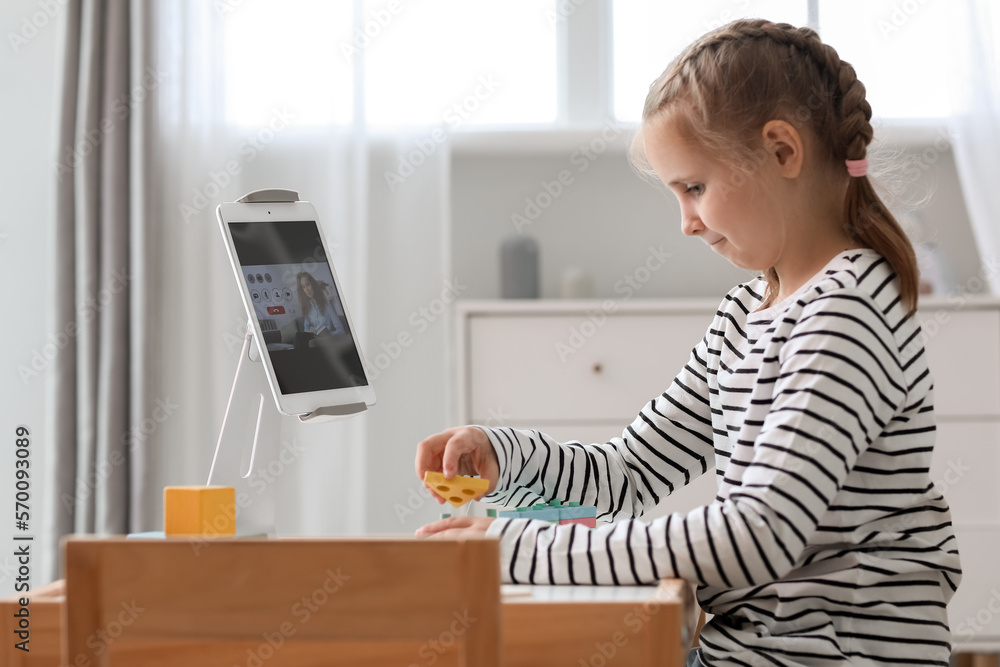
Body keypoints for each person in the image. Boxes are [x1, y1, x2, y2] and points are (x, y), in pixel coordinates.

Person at [414, 18, 961, 666]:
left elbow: (761, 532)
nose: (686, 223)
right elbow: (628, 471)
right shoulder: (745, 314)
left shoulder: (845, 313)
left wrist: (514, 547)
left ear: (784, 151)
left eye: (695, 188)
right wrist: (508, 458)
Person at [295, 271, 345, 348]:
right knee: (299, 336)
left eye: (308, 285)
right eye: (304, 287)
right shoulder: (308, 309)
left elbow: (341, 331)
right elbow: (306, 329)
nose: (307, 289)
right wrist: (310, 331)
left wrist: (328, 335)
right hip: (313, 338)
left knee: (301, 338)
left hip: (325, 339)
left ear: (313, 285)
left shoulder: (327, 306)